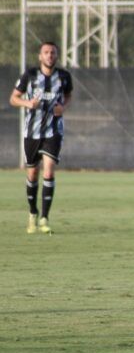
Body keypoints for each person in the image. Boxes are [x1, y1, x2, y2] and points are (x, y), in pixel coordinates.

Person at [10, 41, 73, 235]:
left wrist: (64, 107)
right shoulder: (30, 75)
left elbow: (69, 95)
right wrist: (28, 103)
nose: (49, 55)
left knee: (49, 171)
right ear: (40, 56)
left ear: (57, 55)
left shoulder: (63, 76)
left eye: (53, 52)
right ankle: (33, 213)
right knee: (32, 175)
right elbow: (13, 98)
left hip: (53, 132)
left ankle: (45, 218)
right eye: (46, 52)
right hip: (32, 133)